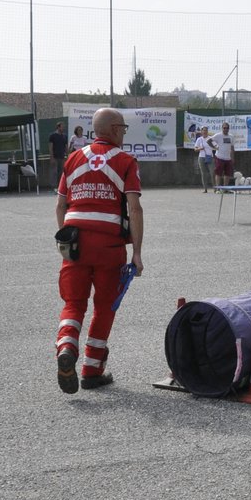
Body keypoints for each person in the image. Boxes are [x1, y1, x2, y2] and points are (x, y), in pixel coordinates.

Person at [54, 107, 144, 394]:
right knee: (104, 307)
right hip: (109, 247)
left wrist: (65, 241)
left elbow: (60, 205)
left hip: (75, 243)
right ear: (116, 129)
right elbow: (135, 207)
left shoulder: (73, 159)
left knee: (73, 304)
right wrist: (137, 253)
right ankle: (92, 371)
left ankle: (67, 345)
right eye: (124, 129)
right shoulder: (126, 161)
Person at [211, 121, 235, 189]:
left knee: (227, 174)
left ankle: (225, 189)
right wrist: (214, 147)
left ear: (229, 129)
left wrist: (232, 158)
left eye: (227, 128)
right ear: (222, 128)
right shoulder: (218, 135)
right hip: (219, 157)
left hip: (228, 158)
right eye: (224, 128)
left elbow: (232, 147)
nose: (225, 129)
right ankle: (218, 188)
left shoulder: (231, 136)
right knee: (218, 173)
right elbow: (209, 141)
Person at [193, 127, 214, 192]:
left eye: (206, 130)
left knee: (212, 172)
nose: (205, 132)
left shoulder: (210, 138)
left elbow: (215, 146)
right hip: (201, 157)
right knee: (204, 173)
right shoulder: (199, 139)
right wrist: (200, 148)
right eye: (203, 130)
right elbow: (195, 149)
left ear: (207, 132)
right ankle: (205, 189)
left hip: (210, 157)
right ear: (201, 132)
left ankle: (215, 188)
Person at [48, 122, 68, 187]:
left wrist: (67, 155)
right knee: (54, 172)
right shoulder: (52, 136)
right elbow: (50, 147)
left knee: (61, 172)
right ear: (58, 127)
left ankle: (60, 186)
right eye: (62, 127)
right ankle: (54, 187)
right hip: (55, 157)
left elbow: (66, 146)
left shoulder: (64, 136)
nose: (63, 128)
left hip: (62, 157)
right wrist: (52, 157)